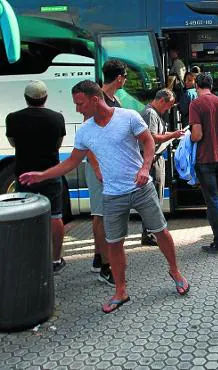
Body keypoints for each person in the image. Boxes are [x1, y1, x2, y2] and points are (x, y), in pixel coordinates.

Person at [19, 80, 189, 313]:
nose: (77, 109)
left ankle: (175, 271)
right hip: (112, 195)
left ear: (95, 100)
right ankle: (121, 291)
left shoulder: (128, 117)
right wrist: (42, 175)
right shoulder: (86, 131)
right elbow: (71, 162)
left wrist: (144, 167)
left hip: (141, 188)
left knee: (161, 231)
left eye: (80, 103)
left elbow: (148, 141)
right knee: (114, 243)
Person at [6, 80, 67, 273]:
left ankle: (28, 259)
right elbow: (58, 144)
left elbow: (13, 143)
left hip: (25, 175)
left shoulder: (13, 118)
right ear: (46, 97)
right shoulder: (57, 118)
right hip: (50, 174)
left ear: (26, 98)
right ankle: (56, 260)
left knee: (24, 216)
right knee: (56, 216)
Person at [88, 59, 127, 282]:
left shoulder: (114, 100)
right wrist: (96, 168)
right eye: (125, 78)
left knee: (103, 215)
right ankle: (105, 267)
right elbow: (87, 139)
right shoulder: (98, 100)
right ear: (119, 78)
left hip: (110, 165)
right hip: (100, 167)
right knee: (101, 216)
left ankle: (98, 257)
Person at [189, 72, 218, 254]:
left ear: (196, 86)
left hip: (205, 159)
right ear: (211, 86)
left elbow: (197, 135)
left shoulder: (196, 104)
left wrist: (189, 139)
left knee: (213, 200)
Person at [139, 89, 185, 245]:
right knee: (152, 198)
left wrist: (173, 133)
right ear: (162, 101)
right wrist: (172, 135)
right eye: (169, 106)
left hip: (156, 158)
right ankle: (149, 234)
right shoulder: (150, 114)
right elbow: (151, 137)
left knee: (156, 196)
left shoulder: (154, 113)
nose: (168, 109)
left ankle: (152, 231)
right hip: (151, 160)